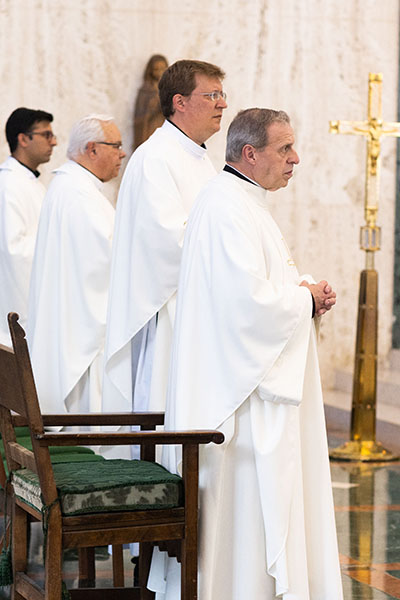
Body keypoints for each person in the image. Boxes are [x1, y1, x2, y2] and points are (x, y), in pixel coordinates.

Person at [149, 109, 343, 599]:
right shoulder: (227, 207)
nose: (296, 159)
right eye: (285, 149)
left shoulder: (241, 202)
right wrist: (304, 299)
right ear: (250, 153)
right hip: (238, 407)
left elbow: (254, 290)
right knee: (245, 521)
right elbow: (244, 308)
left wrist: (301, 290)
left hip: (244, 387)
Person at [103, 59, 227, 429]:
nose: (222, 104)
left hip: (198, 313)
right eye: (212, 95)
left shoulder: (198, 158)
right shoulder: (155, 159)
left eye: (222, 95)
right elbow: (170, 244)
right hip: (172, 317)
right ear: (180, 102)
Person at [27, 115, 126, 416]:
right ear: (92, 149)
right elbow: (105, 263)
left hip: (73, 322)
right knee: (92, 420)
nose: (122, 153)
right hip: (84, 331)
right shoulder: (78, 195)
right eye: (116, 146)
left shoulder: (72, 187)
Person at [0, 107, 56, 346]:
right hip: (18, 309)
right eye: (46, 135)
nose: (54, 142)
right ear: (23, 139)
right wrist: (57, 245)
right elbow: (12, 251)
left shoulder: (33, 183)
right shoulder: (7, 184)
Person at [133, 54, 168, 150]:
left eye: (163, 69)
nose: (160, 72)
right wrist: (153, 108)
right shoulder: (145, 91)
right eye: (156, 69)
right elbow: (140, 117)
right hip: (150, 129)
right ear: (150, 71)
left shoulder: (168, 89)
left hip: (164, 128)